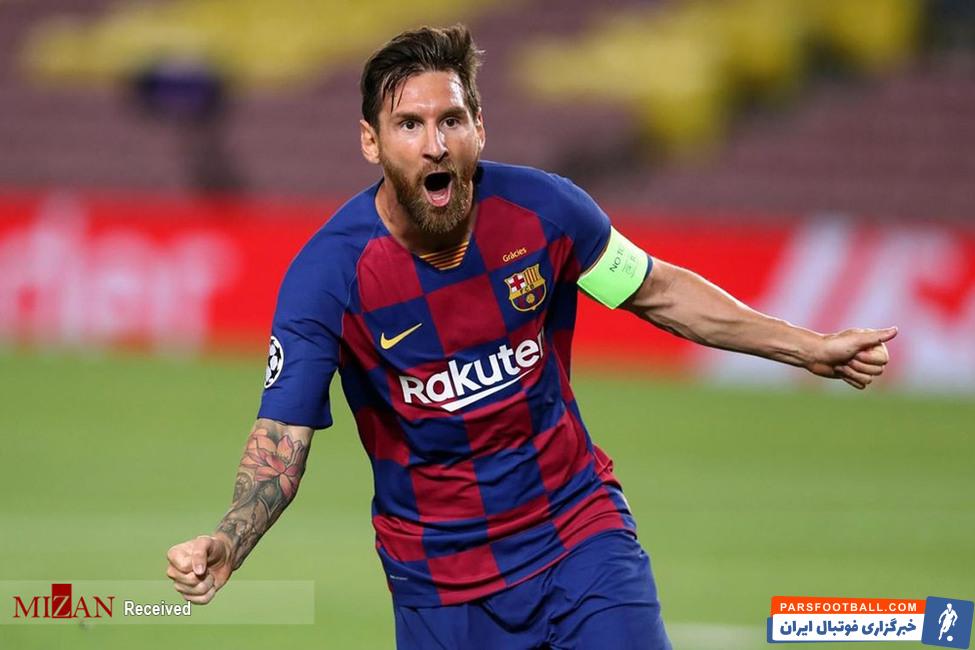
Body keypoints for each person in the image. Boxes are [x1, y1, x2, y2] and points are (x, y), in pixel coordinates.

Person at [166, 24, 896, 649]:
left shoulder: (545, 213)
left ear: (479, 127)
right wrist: (231, 538)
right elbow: (282, 438)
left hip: (576, 534)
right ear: (370, 141)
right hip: (439, 585)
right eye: (409, 125)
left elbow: (657, 291)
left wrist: (809, 347)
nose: (434, 144)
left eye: (451, 120)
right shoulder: (329, 275)